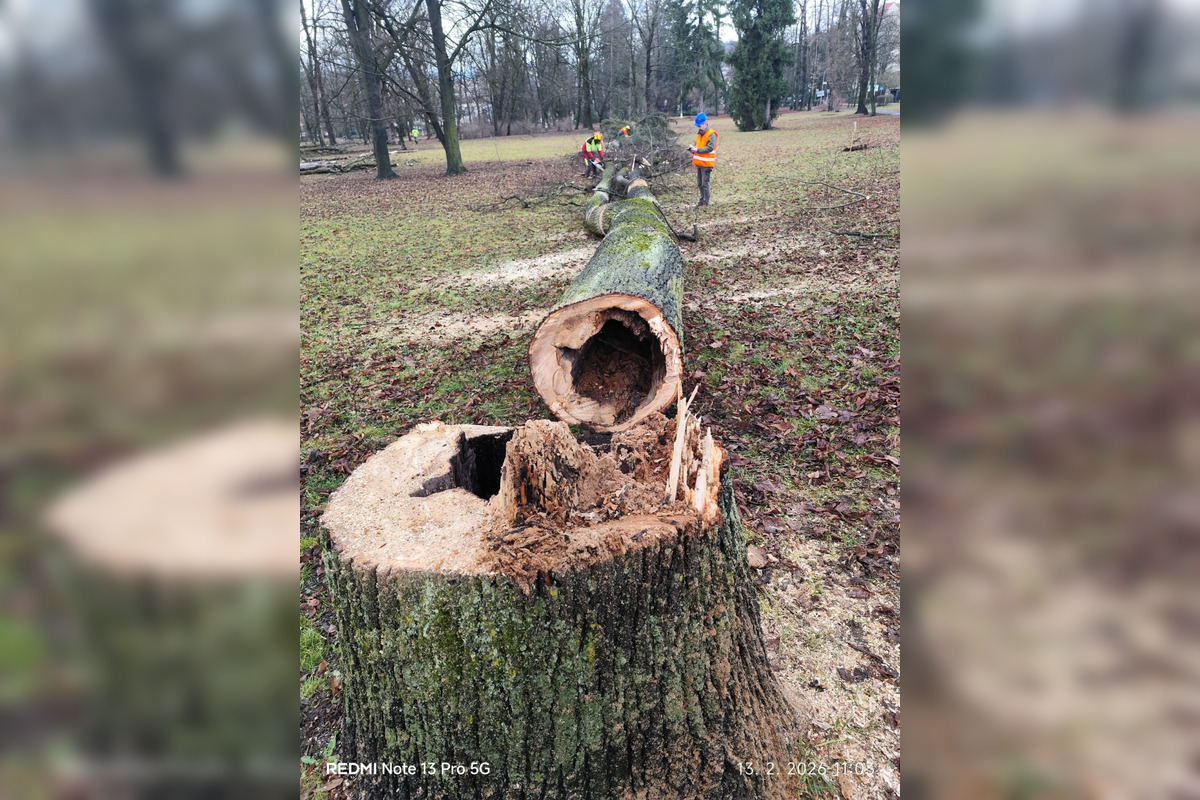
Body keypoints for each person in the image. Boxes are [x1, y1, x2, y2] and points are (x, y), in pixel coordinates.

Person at [687, 112, 717, 207]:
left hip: (707, 164)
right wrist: (694, 150)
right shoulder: (699, 134)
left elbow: (710, 147)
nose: (698, 128)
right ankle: (701, 201)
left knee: (705, 184)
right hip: (699, 163)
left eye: (699, 126)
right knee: (700, 183)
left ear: (705, 123)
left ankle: (705, 202)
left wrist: (697, 150)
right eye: (697, 126)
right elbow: (699, 146)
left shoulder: (711, 134)